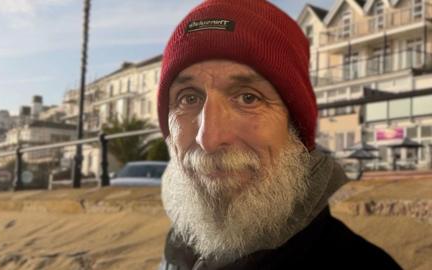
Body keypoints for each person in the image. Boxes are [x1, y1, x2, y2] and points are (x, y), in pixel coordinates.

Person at [156, 0, 401, 269]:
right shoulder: (179, 249)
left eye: (248, 98)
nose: (209, 138)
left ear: (297, 129)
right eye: (188, 98)